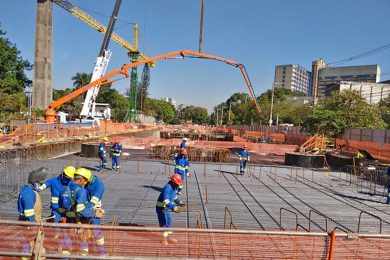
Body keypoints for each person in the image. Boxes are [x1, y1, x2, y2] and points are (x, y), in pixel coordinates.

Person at [63, 168, 105, 256]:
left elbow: (92, 203)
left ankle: (102, 254)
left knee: (96, 231)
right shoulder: (83, 183)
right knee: (82, 233)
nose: (76, 183)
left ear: (85, 180)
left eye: (79, 181)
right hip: (81, 208)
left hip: (93, 209)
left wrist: (84, 211)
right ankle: (83, 255)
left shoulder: (99, 186)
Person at [156, 174, 183, 245]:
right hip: (161, 207)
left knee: (169, 221)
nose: (178, 185)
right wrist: (173, 207)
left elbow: (174, 196)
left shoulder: (175, 187)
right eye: (177, 183)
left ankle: (169, 237)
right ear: (173, 181)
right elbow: (166, 201)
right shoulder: (168, 188)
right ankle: (163, 239)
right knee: (164, 223)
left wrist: (179, 202)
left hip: (167, 207)